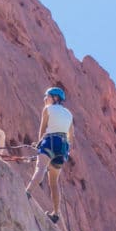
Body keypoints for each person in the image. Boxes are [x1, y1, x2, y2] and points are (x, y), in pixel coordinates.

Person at [26, 87, 73, 223]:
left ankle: (27, 192)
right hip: (63, 147)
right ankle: (56, 213)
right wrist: (67, 150)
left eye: (47, 96)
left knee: (40, 168)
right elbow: (71, 135)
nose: (45, 99)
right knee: (54, 182)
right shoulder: (69, 114)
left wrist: (39, 143)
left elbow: (42, 129)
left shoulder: (48, 109)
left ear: (55, 98)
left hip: (50, 141)